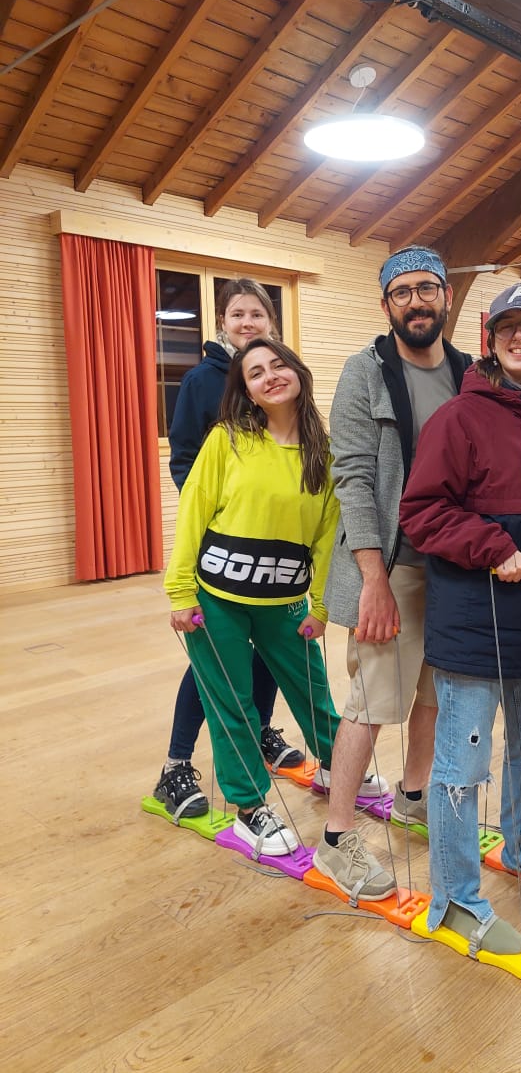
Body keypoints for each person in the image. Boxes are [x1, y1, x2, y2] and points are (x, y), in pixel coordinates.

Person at [399, 282, 521, 954]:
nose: (519, 336)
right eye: (506, 326)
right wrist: (492, 548)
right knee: (462, 768)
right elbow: (422, 512)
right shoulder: (457, 418)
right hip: (472, 627)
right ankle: (455, 897)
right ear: (490, 341)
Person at [313, 246, 473, 900]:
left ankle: (412, 796)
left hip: (454, 568)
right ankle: (336, 838)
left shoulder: (468, 373)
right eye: (401, 291)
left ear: (446, 298)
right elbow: (351, 475)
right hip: (392, 566)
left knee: (435, 693)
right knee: (373, 701)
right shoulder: (365, 371)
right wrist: (373, 580)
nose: (415, 301)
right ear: (386, 304)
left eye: (426, 288)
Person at [164, 338, 346, 854]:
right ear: (247, 391)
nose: (270, 376)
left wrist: (322, 605)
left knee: (312, 688)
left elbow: (328, 537)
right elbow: (194, 512)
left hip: (284, 600)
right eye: (256, 373)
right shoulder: (227, 440)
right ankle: (249, 807)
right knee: (233, 703)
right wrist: (180, 591)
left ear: (298, 372)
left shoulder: (326, 453)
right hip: (216, 599)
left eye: (278, 365)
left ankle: (340, 766)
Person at [153, 280, 304, 822]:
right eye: (237, 314)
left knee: (267, 652)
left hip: (274, 555)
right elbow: (186, 461)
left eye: (256, 314)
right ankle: (175, 765)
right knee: (215, 660)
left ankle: (257, 733)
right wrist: (221, 523)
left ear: (270, 322)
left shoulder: (278, 379)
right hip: (223, 548)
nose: (247, 323)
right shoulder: (202, 380)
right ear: (223, 322)